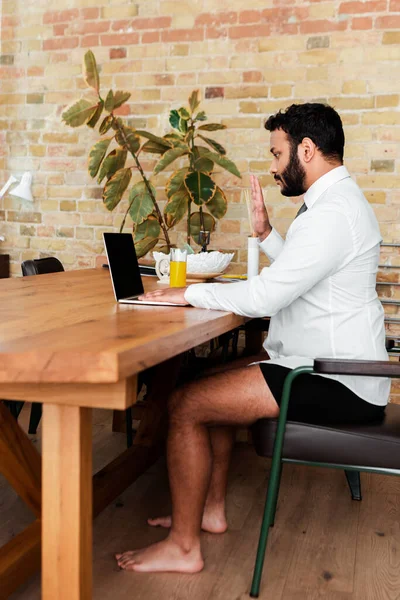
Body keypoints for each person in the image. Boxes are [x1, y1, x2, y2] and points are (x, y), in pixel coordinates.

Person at [115, 103, 389, 574]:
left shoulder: (333, 211)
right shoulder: (334, 205)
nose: (274, 165)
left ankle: (184, 547)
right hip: (325, 368)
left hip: (337, 379)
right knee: (210, 379)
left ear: (307, 149)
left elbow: (268, 296)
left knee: (186, 404)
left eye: (277, 153)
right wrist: (265, 234)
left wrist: (189, 295)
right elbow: (304, 274)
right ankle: (210, 511)